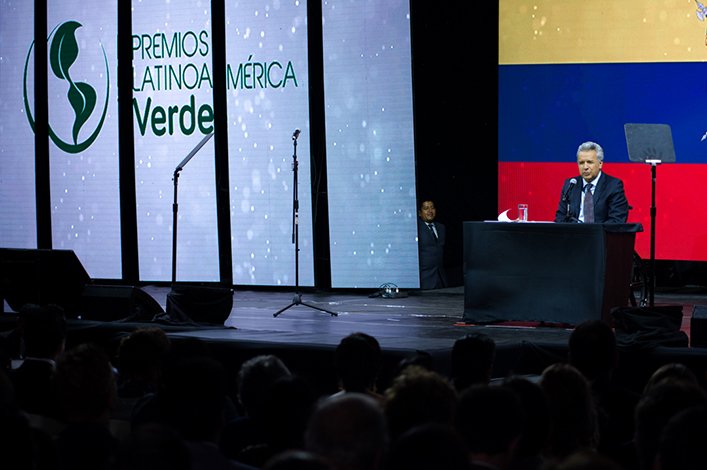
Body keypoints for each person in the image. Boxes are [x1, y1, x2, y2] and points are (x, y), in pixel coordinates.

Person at [554, 141, 629, 224]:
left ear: (600, 164)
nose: (585, 167)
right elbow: (560, 218)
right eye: (581, 163)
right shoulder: (571, 185)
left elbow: (617, 221)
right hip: (573, 235)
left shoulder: (613, 186)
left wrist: (592, 233)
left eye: (589, 162)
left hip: (600, 235)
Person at [417, 199, 447, 290]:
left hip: (440, 279)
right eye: (426, 208)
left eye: (432, 208)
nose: (430, 211)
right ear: (420, 213)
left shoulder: (441, 227)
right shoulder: (416, 228)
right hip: (424, 279)